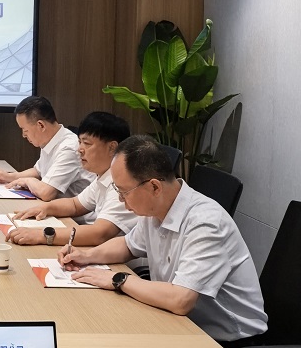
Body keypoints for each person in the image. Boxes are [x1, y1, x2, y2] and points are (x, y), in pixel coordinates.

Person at [59, 135, 267, 345]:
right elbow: (128, 246)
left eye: (124, 192)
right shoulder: (155, 208)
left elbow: (181, 300)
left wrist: (118, 279)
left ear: (154, 187)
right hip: (180, 323)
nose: (121, 201)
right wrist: (86, 256)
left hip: (226, 339)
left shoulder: (206, 222)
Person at [6, 111, 137, 246]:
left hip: (119, 258)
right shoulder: (104, 176)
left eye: (87, 143)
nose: (80, 149)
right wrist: (45, 208)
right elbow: (75, 205)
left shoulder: (123, 183)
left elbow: (99, 234)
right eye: (80, 142)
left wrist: (41, 235)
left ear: (112, 147)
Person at [0, 95, 94, 201]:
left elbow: (46, 193)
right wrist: (9, 177)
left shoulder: (68, 148)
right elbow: (38, 171)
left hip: (74, 211)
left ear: (41, 125)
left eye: (25, 130)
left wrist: (27, 181)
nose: (23, 135)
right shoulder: (51, 140)